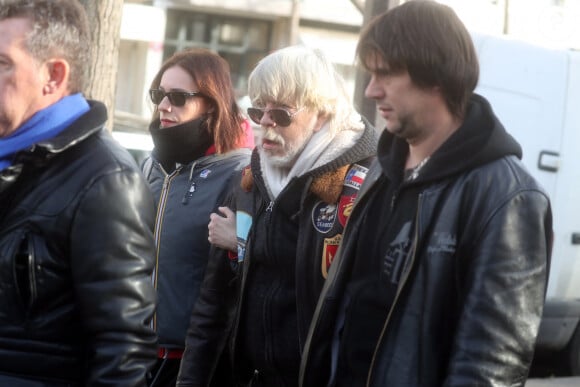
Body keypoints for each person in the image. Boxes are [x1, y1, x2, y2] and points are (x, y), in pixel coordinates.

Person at [298, 1, 554, 386]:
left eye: (385, 74)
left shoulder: (508, 197)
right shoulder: (380, 169)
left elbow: (491, 363)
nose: (371, 89)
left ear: (435, 74)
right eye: (370, 73)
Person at [176, 45, 379, 387]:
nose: (267, 122)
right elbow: (212, 306)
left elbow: (363, 310)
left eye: (281, 114)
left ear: (322, 114)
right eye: (258, 111)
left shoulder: (364, 184)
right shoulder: (249, 182)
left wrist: (242, 240)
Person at [0, 0, 158, 385]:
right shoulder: (11, 155)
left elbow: (124, 352)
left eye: (3, 63)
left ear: (53, 76)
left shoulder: (107, 179)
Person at [142, 47, 253, 386]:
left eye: (178, 97)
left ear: (211, 103)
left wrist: (240, 240)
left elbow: (250, 259)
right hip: (138, 355)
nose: (164, 105)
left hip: (200, 364)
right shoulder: (150, 166)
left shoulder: (241, 172)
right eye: (158, 94)